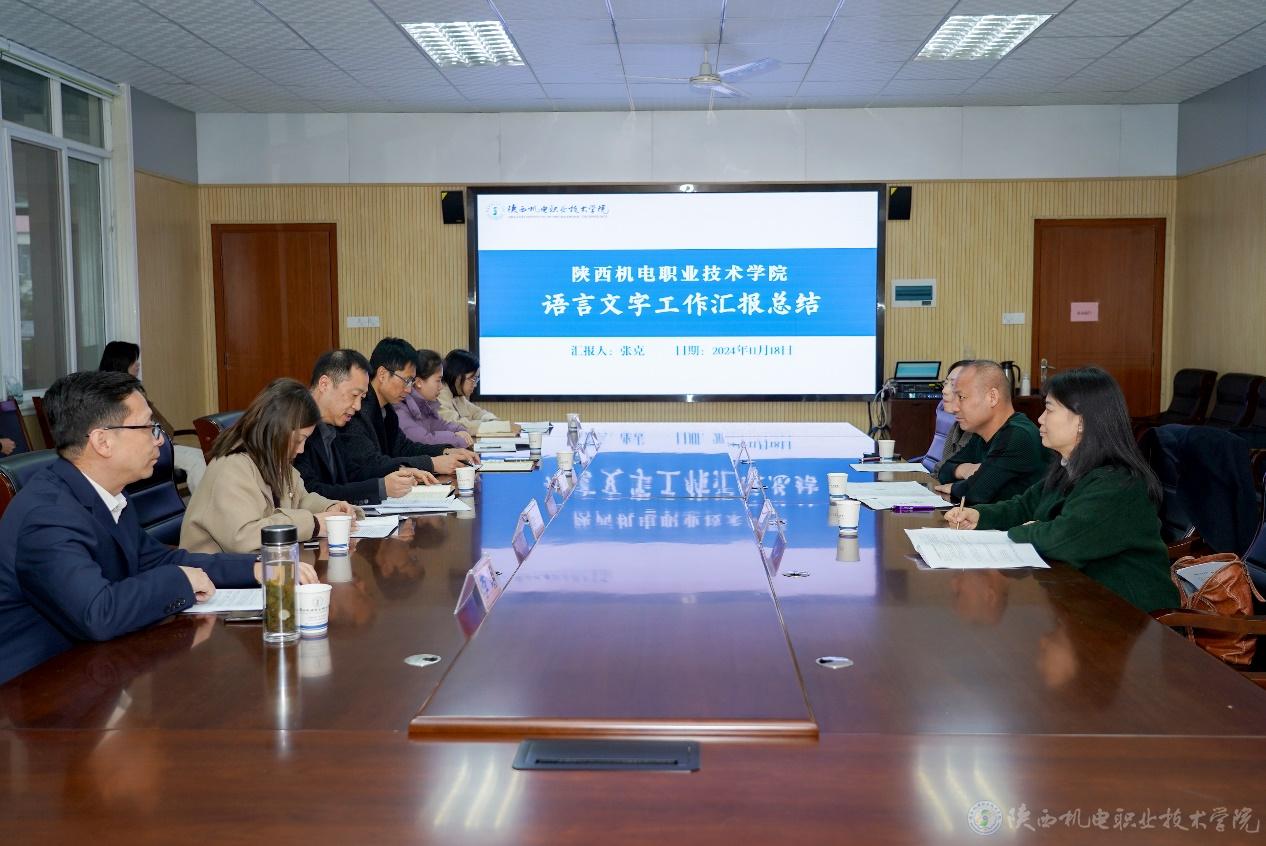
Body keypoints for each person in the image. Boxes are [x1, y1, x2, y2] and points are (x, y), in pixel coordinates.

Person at [0, 371, 273, 685]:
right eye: (147, 427)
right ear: (102, 441)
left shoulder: (108, 494)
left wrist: (256, 568)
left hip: (95, 668)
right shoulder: (47, 516)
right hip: (35, 689)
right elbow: (98, 613)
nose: (160, 439)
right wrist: (179, 580)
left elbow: (156, 559)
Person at [945, 367, 1178, 613]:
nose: (1040, 419)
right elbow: (1024, 506)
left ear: (1082, 421)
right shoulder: (1068, 467)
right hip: (1082, 601)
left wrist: (1027, 530)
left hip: (1132, 616)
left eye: (1049, 409)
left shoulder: (1117, 483)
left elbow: (1063, 539)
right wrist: (980, 516)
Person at [180, 378, 358, 554]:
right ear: (277, 429)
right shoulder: (231, 467)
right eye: (299, 440)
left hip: (258, 564)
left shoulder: (274, 459)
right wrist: (314, 524)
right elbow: (244, 537)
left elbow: (300, 500)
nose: (301, 449)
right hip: (212, 570)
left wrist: (329, 508)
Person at [295, 349, 436, 505]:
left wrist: (400, 470)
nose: (357, 406)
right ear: (324, 384)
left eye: (362, 397)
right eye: (354, 395)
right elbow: (310, 493)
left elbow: (353, 473)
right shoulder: (295, 426)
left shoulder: (333, 424)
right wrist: (380, 487)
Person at [337, 338, 478, 483]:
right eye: (406, 380)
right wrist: (432, 464)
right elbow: (372, 464)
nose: (409, 389)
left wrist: (445, 451)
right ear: (382, 374)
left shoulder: (387, 410)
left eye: (411, 381)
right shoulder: (357, 411)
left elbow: (404, 448)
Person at [934, 360, 1049, 505]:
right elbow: (944, 471)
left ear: (992, 397)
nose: (956, 407)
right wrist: (964, 470)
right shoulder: (981, 433)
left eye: (962, 397)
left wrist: (955, 487)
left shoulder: (1017, 435)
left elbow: (975, 492)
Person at [98, 341, 207, 492]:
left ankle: (205, 502)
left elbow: (158, 427)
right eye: (134, 361)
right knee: (196, 460)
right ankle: (203, 505)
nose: (137, 364)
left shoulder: (130, 390)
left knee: (201, 456)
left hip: (157, 443)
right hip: (139, 448)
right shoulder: (114, 395)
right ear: (122, 363)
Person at [395, 349, 475, 449]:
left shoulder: (424, 405)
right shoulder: (400, 409)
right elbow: (425, 440)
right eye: (438, 380)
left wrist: (461, 431)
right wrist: (456, 438)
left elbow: (442, 425)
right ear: (419, 382)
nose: (441, 387)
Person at [437, 348, 518, 435]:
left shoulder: (457, 395)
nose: (475, 385)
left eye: (476, 379)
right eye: (473, 378)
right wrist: (500, 427)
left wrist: (495, 421)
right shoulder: (439, 394)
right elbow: (456, 426)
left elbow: (477, 413)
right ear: (457, 376)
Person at [932, 360, 973, 474]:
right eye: (945, 383)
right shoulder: (957, 425)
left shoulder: (980, 431)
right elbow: (942, 469)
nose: (944, 391)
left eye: (954, 385)